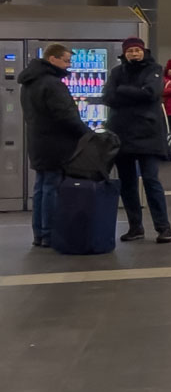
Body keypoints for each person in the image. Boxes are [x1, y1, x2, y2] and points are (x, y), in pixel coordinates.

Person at [100, 38, 171, 243]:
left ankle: (164, 227)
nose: (134, 54)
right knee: (127, 183)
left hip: (148, 134)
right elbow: (107, 96)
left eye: (137, 50)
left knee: (151, 180)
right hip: (121, 134)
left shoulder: (154, 69)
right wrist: (136, 94)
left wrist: (122, 91)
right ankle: (135, 227)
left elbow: (151, 93)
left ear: (144, 52)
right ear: (124, 53)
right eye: (130, 51)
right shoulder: (117, 72)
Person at [21, 44, 93, 249]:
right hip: (57, 143)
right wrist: (87, 134)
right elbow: (66, 115)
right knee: (52, 187)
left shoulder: (29, 82)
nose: (68, 65)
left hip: (38, 141)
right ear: (52, 59)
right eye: (66, 60)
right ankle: (51, 234)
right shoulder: (52, 84)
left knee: (41, 187)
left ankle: (40, 234)